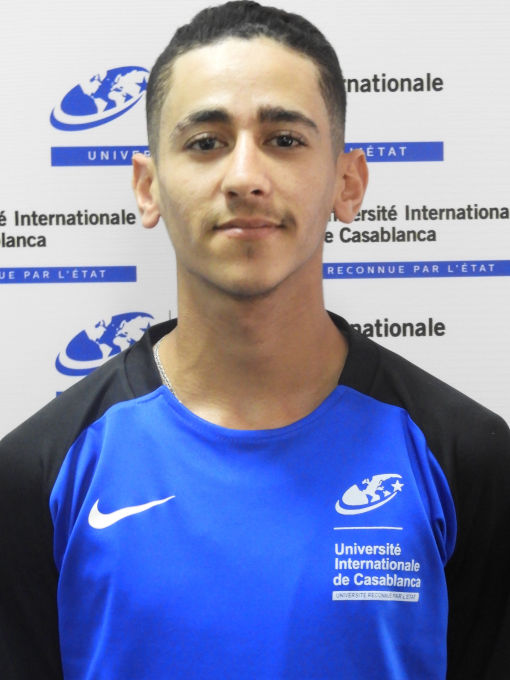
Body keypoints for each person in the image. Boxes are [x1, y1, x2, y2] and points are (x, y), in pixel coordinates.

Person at [1, 2, 509, 678]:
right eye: (206, 142)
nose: (244, 177)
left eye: (285, 139)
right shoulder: (38, 471)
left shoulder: (466, 456)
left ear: (348, 183)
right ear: (148, 188)